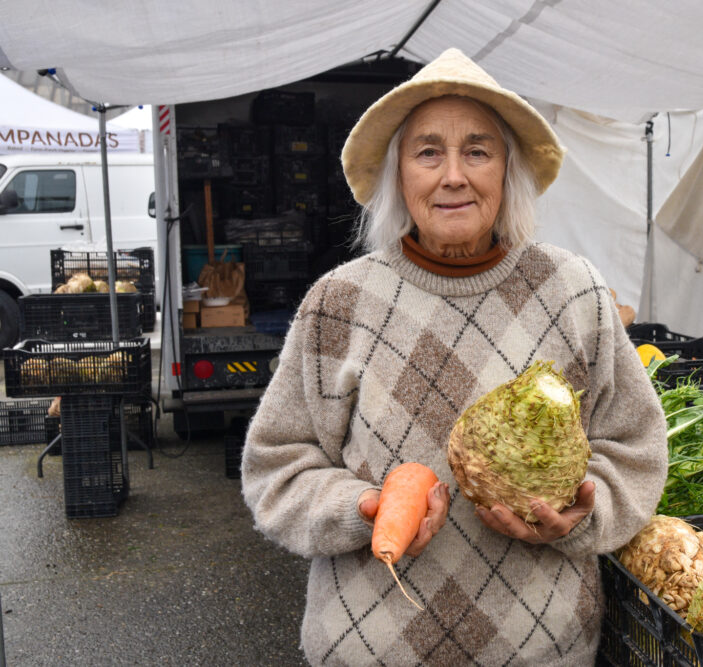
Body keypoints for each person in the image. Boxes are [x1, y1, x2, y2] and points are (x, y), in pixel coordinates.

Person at [242, 48, 668, 666]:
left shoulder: (573, 291)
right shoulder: (338, 303)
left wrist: (582, 510)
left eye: (477, 150)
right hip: (372, 650)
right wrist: (362, 509)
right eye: (427, 152)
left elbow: (636, 449)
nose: (453, 176)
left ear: (506, 170)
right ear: (398, 176)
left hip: (541, 653)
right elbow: (275, 468)